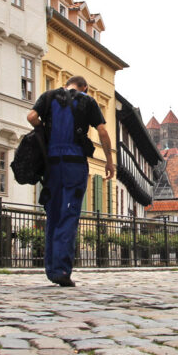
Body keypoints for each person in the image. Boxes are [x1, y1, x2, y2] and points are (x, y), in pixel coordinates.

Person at [27, 75, 113, 287]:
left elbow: (31, 117)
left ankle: (51, 269)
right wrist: (109, 161)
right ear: (85, 87)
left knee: (53, 214)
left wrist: (43, 130)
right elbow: (102, 131)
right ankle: (62, 270)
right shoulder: (87, 101)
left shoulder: (48, 97)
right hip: (74, 163)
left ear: (66, 84)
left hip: (52, 163)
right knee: (69, 214)